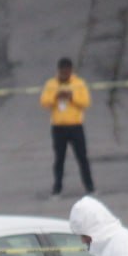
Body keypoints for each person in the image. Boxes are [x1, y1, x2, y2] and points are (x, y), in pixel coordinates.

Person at [39, 57, 95, 198]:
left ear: (71, 70)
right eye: (62, 72)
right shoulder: (51, 84)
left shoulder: (79, 83)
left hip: (75, 126)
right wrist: (56, 97)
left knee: (82, 157)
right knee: (59, 159)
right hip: (58, 128)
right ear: (58, 71)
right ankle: (57, 189)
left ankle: (90, 187)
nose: (65, 74)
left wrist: (72, 97)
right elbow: (44, 102)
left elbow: (86, 103)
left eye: (67, 71)